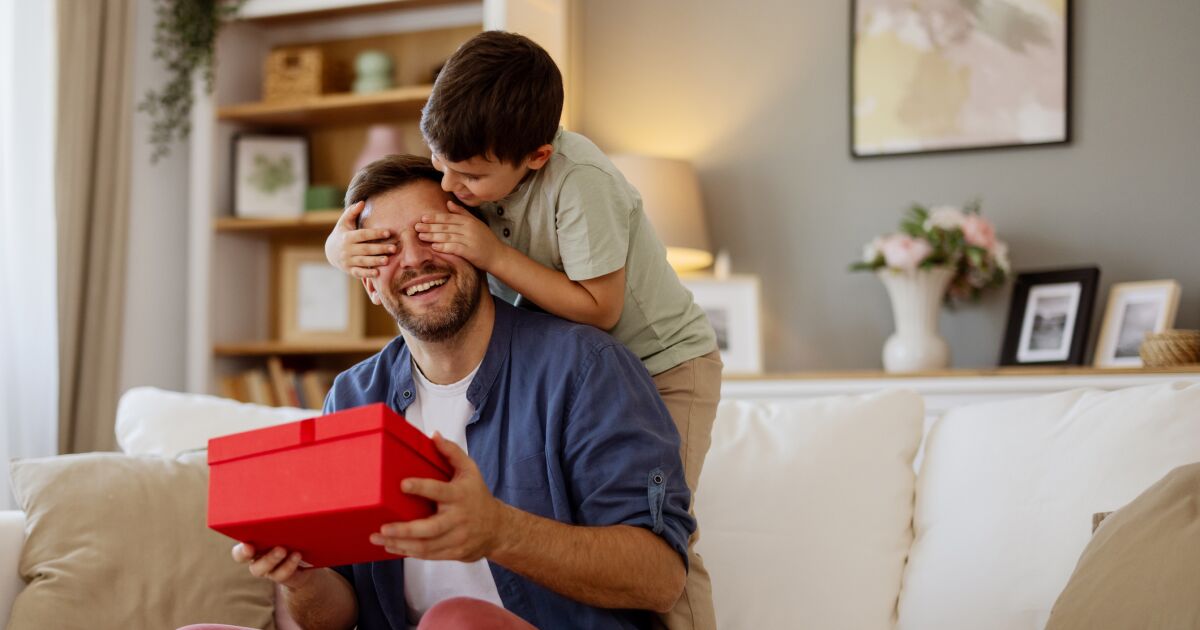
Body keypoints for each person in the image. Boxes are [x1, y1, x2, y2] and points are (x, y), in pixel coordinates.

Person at [325, 31, 721, 630]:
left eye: (437, 232)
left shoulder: (576, 190)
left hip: (664, 357)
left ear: (534, 157)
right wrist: (337, 247)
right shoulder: (479, 175)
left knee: (672, 537)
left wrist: (490, 253)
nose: (453, 189)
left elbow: (601, 310)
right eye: (381, 248)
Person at [200, 155, 694, 630]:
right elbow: (336, 617)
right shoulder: (351, 396)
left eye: (432, 234)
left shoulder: (585, 368)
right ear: (369, 282)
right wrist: (302, 578)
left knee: (455, 621)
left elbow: (660, 579)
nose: (414, 259)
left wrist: (499, 531)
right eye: (384, 247)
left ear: (477, 243)